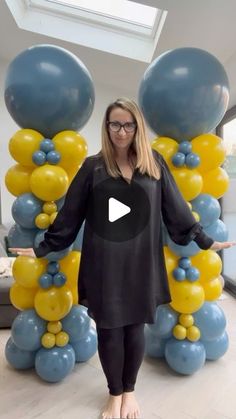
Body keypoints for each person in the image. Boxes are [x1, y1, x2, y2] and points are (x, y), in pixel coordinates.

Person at [10, 98, 236, 419]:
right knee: (108, 330)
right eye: (115, 124)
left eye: (128, 124)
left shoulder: (155, 163)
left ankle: (129, 391)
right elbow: (69, 214)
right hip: (104, 264)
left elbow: (176, 210)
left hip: (141, 263)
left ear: (137, 127)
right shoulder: (93, 167)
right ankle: (114, 393)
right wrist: (43, 248)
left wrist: (205, 240)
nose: (121, 131)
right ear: (107, 127)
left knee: (133, 329)